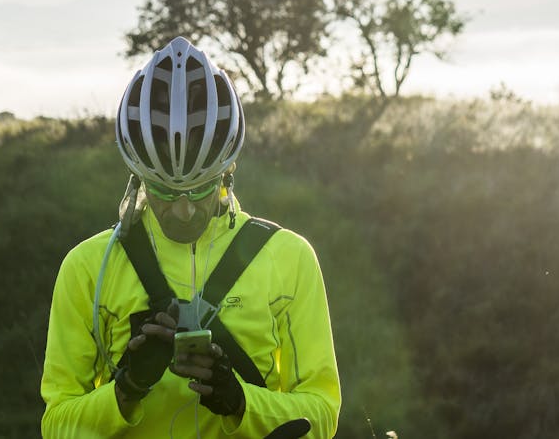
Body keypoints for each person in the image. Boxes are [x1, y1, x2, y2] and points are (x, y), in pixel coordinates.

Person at [41, 37, 341, 438]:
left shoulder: (289, 258)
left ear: (227, 172)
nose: (183, 209)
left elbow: (322, 414)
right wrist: (127, 390)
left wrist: (240, 403)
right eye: (163, 191)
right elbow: (56, 425)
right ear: (138, 179)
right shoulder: (86, 268)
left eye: (200, 189)